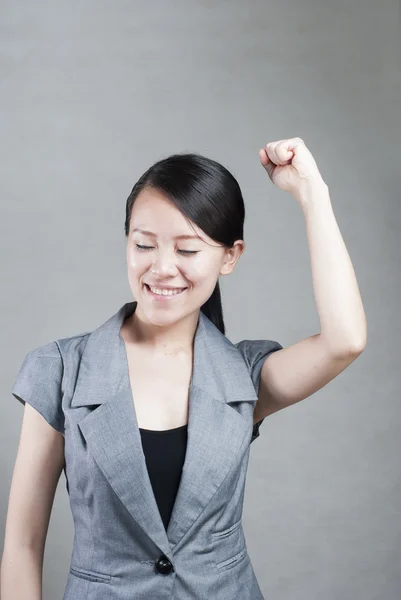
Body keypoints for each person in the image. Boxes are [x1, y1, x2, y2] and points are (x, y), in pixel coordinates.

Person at [1, 137, 367, 599]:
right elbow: (22, 544)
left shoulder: (244, 375)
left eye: (188, 251)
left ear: (230, 256)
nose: (161, 268)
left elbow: (345, 340)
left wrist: (313, 194)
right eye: (144, 244)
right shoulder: (59, 371)